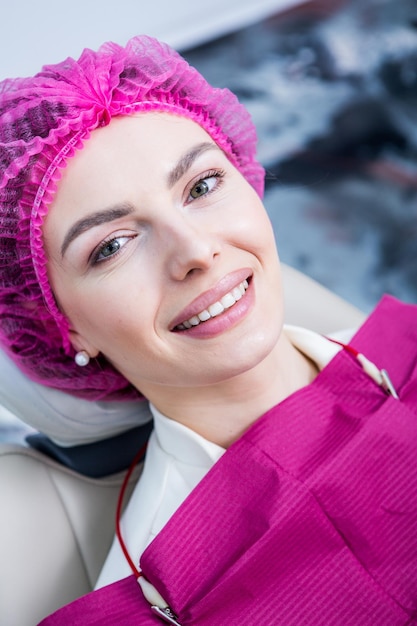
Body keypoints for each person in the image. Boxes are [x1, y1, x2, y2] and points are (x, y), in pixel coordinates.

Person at [0, 35, 417, 626]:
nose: (195, 251)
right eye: (112, 246)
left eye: (201, 186)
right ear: (61, 328)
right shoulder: (154, 610)